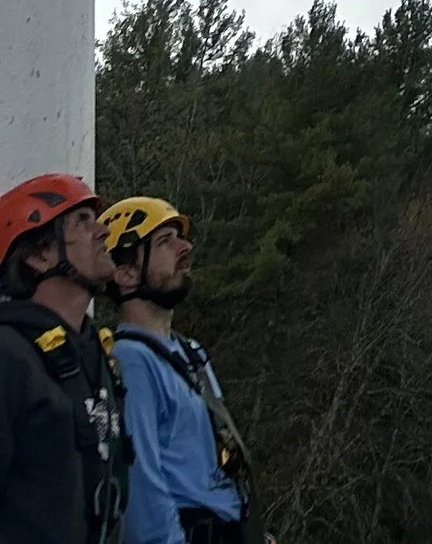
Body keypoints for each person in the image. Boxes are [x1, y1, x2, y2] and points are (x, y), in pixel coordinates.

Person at [96, 204, 255, 544]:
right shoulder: (131, 361)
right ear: (124, 273)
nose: (186, 248)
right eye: (166, 241)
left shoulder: (190, 353)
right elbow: (142, 489)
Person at [0, 175, 127, 544]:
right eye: (83, 220)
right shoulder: (9, 357)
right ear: (40, 256)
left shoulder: (95, 354)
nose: (103, 231)